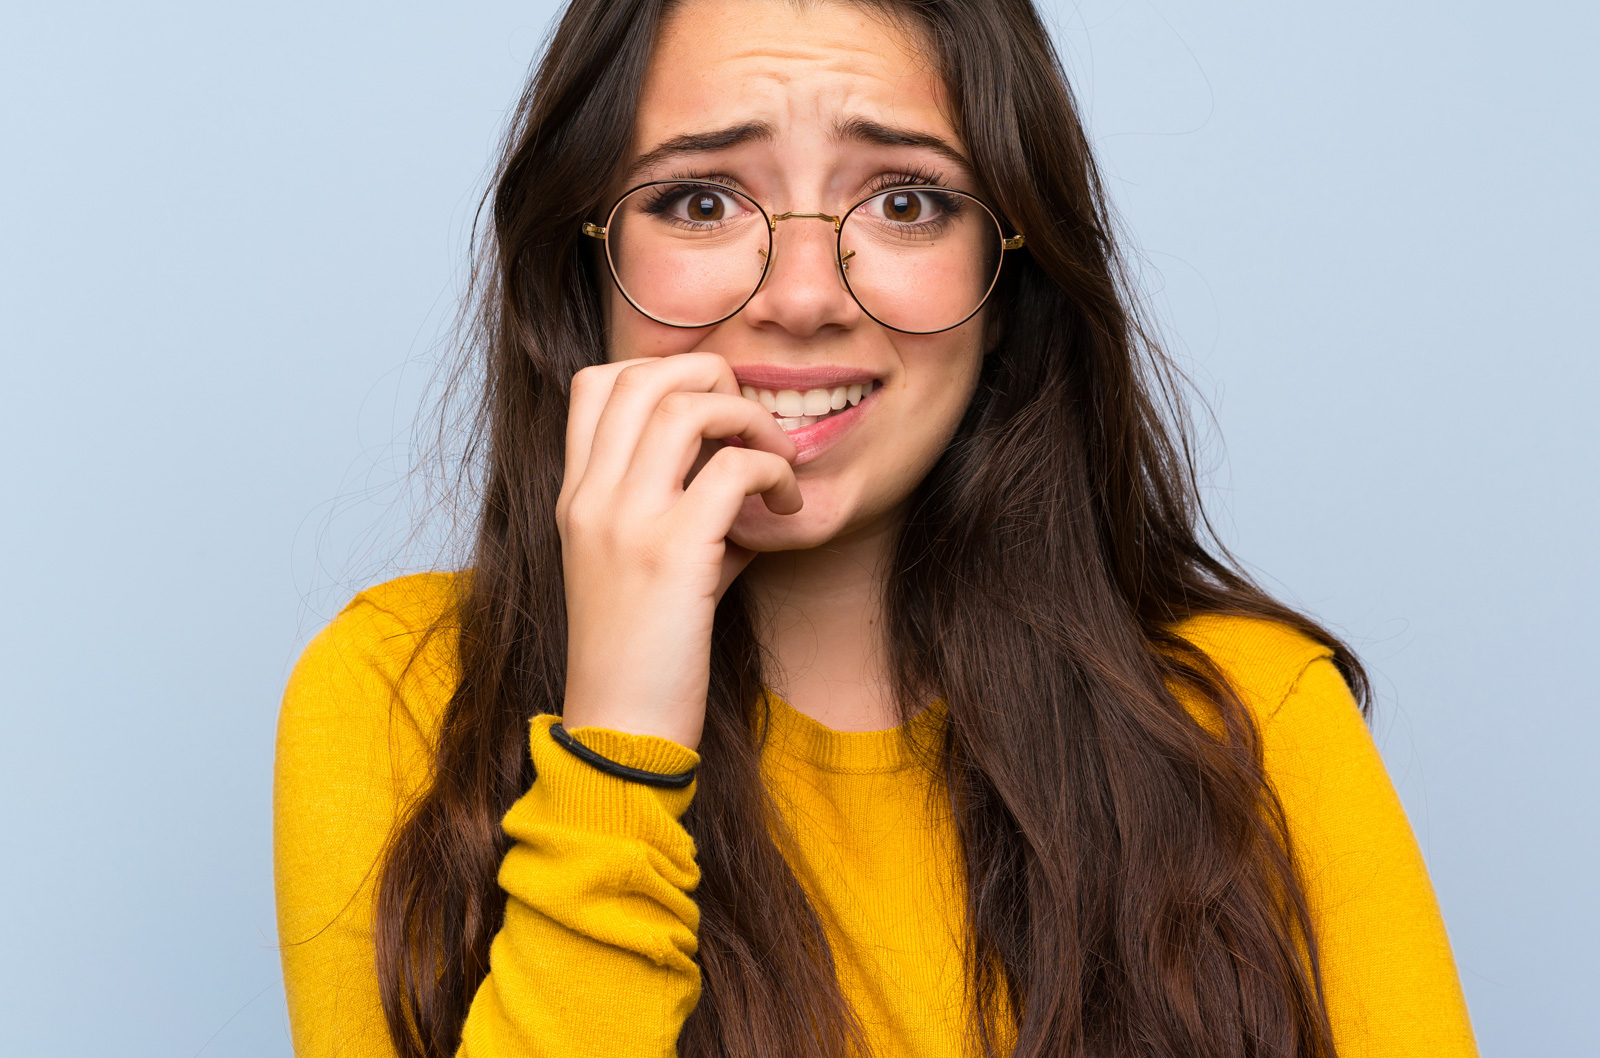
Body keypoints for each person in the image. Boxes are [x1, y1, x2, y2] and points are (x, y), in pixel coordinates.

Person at [272, 0, 1479, 1055]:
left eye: (905, 201)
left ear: (1011, 279)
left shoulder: (1252, 717)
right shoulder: (399, 696)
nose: (803, 298)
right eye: (700, 200)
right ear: (581, 265)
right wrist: (618, 745)